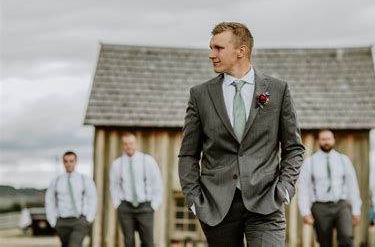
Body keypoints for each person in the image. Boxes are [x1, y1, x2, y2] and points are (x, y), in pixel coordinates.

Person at [178, 22, 305, 246]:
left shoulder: (277, 90)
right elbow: (188, 154)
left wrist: (285, 188)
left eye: (218, 48)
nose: (211, 55)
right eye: (211, 48)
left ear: (241, 50)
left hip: (266, 200)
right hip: (216, 206)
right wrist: (194, 199)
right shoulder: (200, 95)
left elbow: (293, 148)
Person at [298, 129, 361, 247]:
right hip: (320, 207)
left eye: (329, 139)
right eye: (323, 139)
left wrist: (356, 209)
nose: (326, 142)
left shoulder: (343, 160)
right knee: (324, 242)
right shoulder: (310, 162)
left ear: (333, 140)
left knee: (347, 237)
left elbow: (353, 185)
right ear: (319, 141)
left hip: (342, 205)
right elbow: (303, 189)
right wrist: (305, 212)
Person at [109, 132, 164, 247]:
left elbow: (157, 183)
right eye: (125, 144)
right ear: (122, 146)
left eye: (131, 143)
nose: (128, 146)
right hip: (125, 207)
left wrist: (154, 205)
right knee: (128, 242)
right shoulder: (117, 164)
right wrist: (117, 204)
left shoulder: (148, 161)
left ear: (136, 144)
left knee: (148, 242)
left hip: (145, 206)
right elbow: (114, 186)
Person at [45, 151, 97, 247]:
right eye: (66, 161)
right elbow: (50, 201)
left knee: (74, 245)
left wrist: (89, 218)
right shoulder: (56, 181)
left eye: (71, 161)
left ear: (75, 162)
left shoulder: (84, 179)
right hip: (62, 221)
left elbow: (93, 199)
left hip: (79, 220)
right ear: (63, 162)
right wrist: (53, 221)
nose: (68, 164)